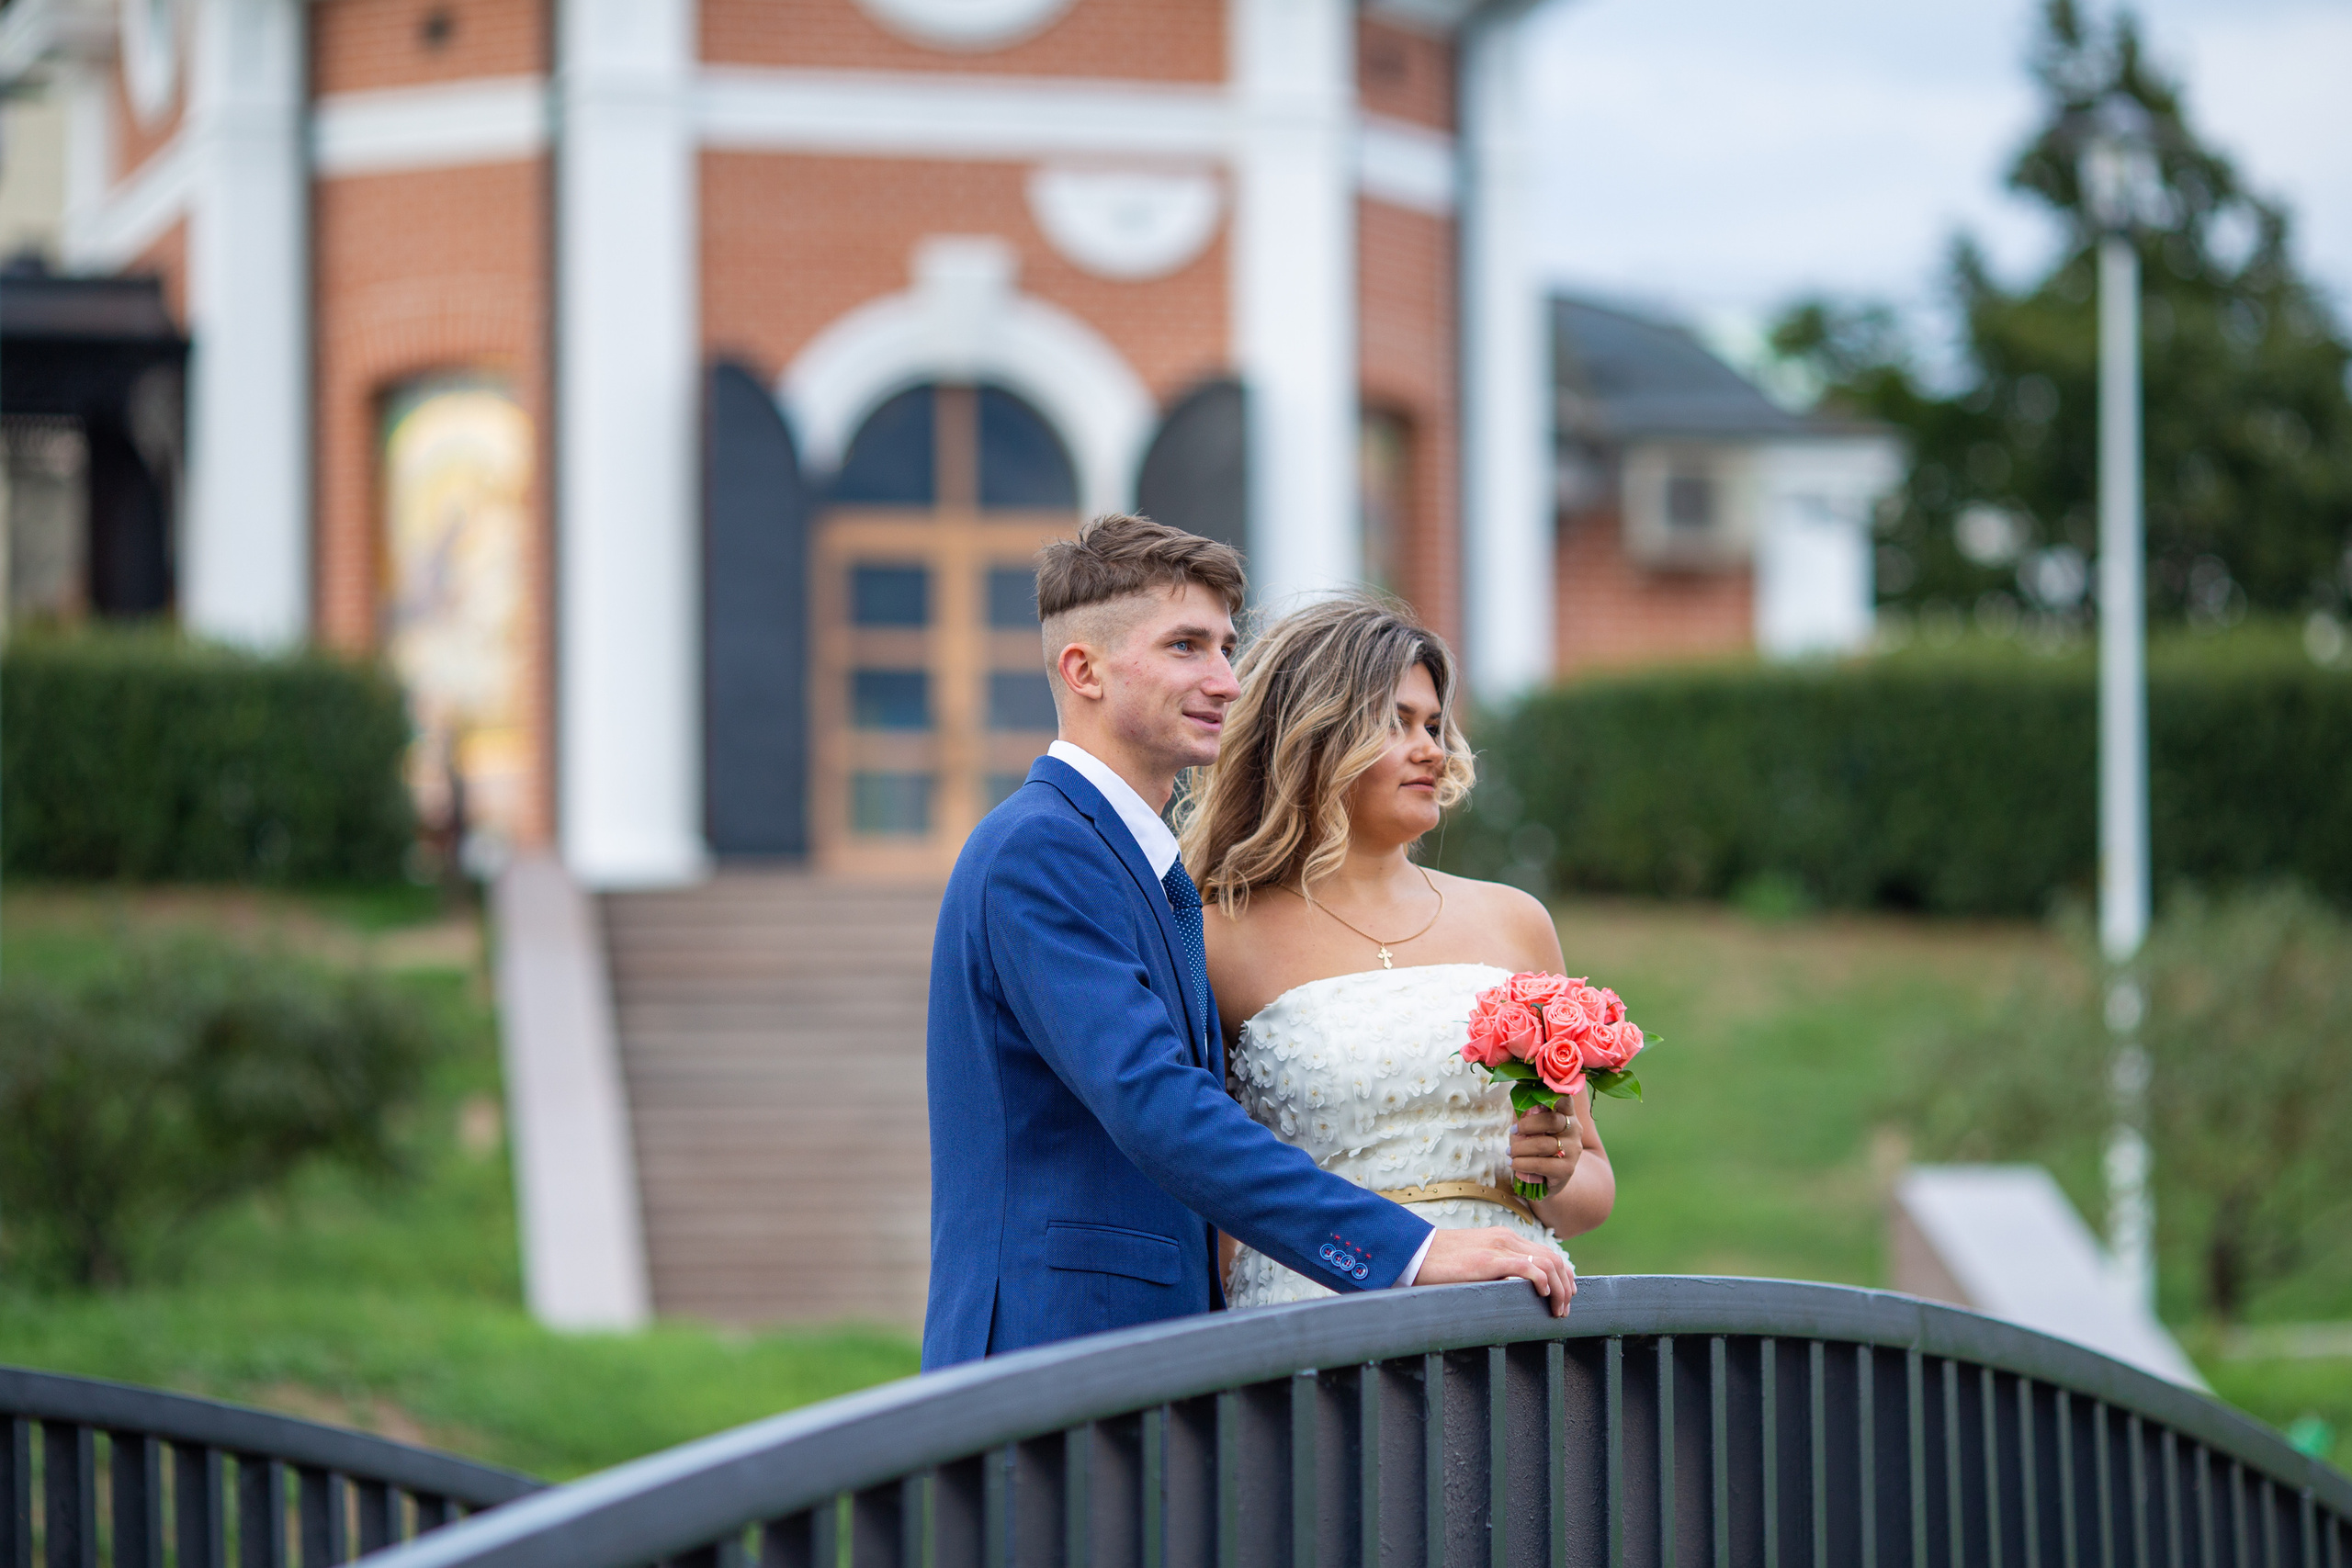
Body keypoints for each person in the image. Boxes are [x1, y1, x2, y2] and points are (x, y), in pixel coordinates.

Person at [923, 515, 1576, 1369]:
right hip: (1051, 1354)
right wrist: (1415, 1251)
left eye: (1227, 647)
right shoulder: (1042, 848)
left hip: (1146, 1360)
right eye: (1187, 646)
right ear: (1083, 669)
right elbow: (1155, 1101)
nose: (1226, 681)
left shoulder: (1146, 869)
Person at [1178, 592, 1615, 1309]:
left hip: (1507, 1317)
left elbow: (1593, 1187)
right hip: (1311, 1313)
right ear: (1314, 736)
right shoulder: (1217, 938)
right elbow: (1208, 1182)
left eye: (1436, 724)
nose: (1432, 749)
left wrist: (1558, 1173)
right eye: (1397, 723)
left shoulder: (1515, 921)